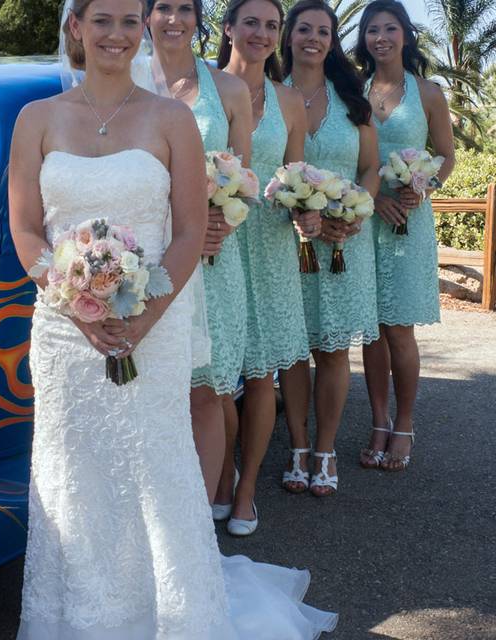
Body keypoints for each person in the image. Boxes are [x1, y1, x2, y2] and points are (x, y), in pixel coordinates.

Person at [9, 0, 337, 636]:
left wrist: (145, 317)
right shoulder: (36, 119)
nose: (117, 34)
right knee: (73, 471)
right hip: (60, 328)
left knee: (153, 466)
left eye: (129, 21)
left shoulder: (171, 120)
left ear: (142, 31)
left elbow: (189, 232)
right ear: (76, 27)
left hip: (152, 325)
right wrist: (72, 303)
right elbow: (25, 229)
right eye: (102, 19)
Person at [216, 0, 319, 535]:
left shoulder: (290, 102)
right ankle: (220, 473)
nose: (260, 33)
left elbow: (297, 175)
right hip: (217, 244)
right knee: (213, 379)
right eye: (249, 22)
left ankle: (247, 487)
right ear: (228, 28)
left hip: (272, 247)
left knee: (259, 377)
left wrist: (311, 210)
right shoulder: (203, 90)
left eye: (271, 25)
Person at [146, 0, 254, 510]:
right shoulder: (124, 83)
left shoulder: (228, 90)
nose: (174, 19)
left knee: (205, 392)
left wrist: (222, 224)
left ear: (198, 18)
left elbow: (245, 181)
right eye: (162, 7)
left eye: (184, 8)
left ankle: (198, 520)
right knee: (150, 390)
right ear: (146, 16)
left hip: (212, 258)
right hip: (144, 257)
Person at [276, 0, 381, 497]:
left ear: (332, 40)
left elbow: (370, 168)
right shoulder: (273, 94)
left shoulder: (351, 96)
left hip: (343, 244)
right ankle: (297, 445)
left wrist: (356, 212)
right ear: (289, 37)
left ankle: (326, 449)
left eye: (323, 30)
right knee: (295, 351)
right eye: (304, 29)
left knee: (334, 350)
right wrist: (297, 212)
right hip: (286, 240)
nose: (313, 38)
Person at [354, 0, 455, 472]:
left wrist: (424, 185)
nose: (381, 38)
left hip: (408, 221)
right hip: (363, 215)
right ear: (364, 39)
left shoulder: (428, 92)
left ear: (405, 35)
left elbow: (447, 155)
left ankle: (405, 424)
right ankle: (377, 421)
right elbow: (348, 158)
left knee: (399, 329)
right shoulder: (351, 91)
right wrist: (371, 199)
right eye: (372, 30)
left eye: (389, 29)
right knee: (370, 329)